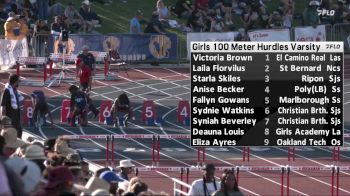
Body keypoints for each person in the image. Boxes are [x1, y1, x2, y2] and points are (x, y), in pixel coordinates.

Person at [1, 74, 24, 138]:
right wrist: (3, 120)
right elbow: (3, 106)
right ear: (15, 81)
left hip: (16, 120)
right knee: (10, 137)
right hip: (10, 120)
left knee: (19, 134)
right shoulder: (7, 91)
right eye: (19, 81)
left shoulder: (15, 90)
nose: (19, 82)